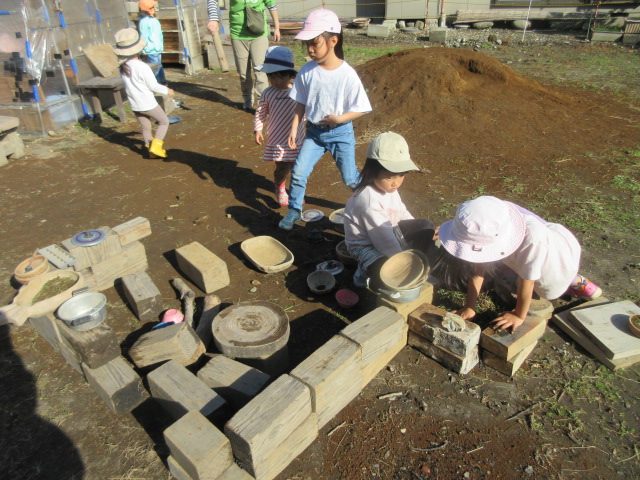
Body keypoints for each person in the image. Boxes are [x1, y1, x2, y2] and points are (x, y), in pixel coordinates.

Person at [436, 195, 602, 332]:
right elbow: (477, 267)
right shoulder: (496, 215)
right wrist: (469, 306)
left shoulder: (532, 241)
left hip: (553, 261)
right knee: (507, 269)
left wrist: (518, 315)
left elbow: (527, 282)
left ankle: (575, 282)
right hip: (555, 239)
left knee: (548, 282)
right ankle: (574, 279)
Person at [278, 8, 372, 230]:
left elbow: (362, 108)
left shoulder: (347, 74)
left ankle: (370, 205)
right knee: (299, 171)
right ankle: (294, 209)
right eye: (306, 44)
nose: (310, 49)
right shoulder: (307, 72)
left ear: (333, 41)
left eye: (315, 43)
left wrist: (340, 119)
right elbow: (300, 102)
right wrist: (294, 129)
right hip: (314, 133)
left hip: (341, 133)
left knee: (350, 178)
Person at [344, 132, 435, 289]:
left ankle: (407, 261)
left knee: (425, 227)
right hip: (366, 246)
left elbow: (402, 212)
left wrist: (418, 233)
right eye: (390, 177)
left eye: (401, 175)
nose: (396, 183)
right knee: (386, 275)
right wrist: (405, 265)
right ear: (371, 171)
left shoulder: (389, 189)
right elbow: (384, 241)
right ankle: (363, 273)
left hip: (389, 232)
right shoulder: (368, 200)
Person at [253, 46, 305, 207]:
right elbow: (261, 112)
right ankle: (280, 187)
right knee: (282, 167)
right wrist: (258, 129)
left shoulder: (298, 91)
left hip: (298, 138)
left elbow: (306, 110)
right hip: (278, 139)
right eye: (272, 78)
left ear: (290, 75)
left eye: (280, 78)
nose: (276, 82)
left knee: (299, 169)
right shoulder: (268, 93)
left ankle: (296, 193)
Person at [207, 0, 280, 111]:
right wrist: (213, 18)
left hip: (259, 34)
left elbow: (272, 6)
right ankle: (247, 100)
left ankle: (263, 103)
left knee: (261, 71)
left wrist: (277, 28)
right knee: (243, 73)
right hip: (238, 34)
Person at [114, 28, 174, 158]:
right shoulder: (142, 67)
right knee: (164, 122)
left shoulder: (124, 67)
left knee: (146, 127)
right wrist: (166, 90)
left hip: (135, 104)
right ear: (139, 49)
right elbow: (152, 86)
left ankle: (149, 150)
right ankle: (156, 147)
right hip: (148, 104)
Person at [137, 0, 167, 85]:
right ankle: (163, 82)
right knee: (159, 65)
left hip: (150, 48)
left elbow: (144, 36)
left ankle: (157, 85)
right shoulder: (155, 20)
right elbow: (160, 35)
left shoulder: (143, 21)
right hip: (158, 47)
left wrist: (143, 48)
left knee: (154, 68)